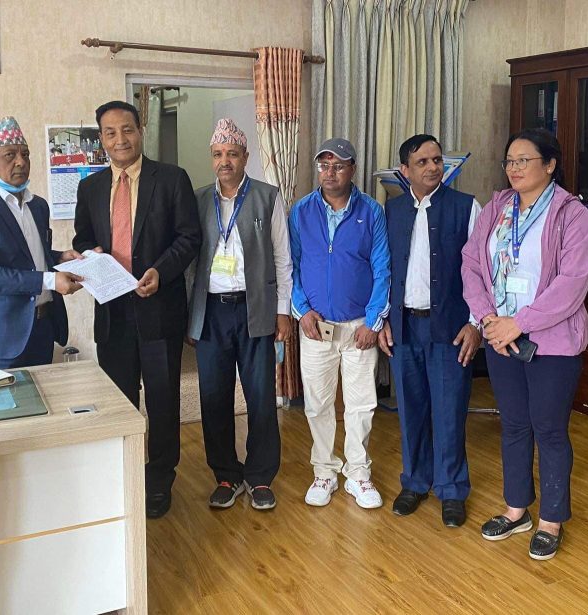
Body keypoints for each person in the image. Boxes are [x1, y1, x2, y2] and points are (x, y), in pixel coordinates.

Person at [461, 128, 588, 560]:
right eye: (510, 161)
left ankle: (551, 520)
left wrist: (518, 324)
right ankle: (516, 509)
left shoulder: (573, 215)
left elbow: (571, 285)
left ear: (550, 164)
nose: (514, 168)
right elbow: (471, 264)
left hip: (551, 343)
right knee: (515, 425)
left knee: (549, 430)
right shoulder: (497, 208)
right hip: (501, 339)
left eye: (524, 160)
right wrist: (488, 319)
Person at [73, 100, 201, 519]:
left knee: (163, 401)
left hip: (159, 309)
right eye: (110, 133)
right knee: (119, 400)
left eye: (126, 129)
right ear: (101, 139)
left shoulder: (172, 179)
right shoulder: (91, 188)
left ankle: (160, 478)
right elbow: (82, 238)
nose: (120, 139)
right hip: (113, 312)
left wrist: (161, 271)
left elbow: (189, 237)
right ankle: (123, 474)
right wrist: (90, 254)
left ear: (140, 130)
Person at [187, 119, 293, 510]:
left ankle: (260, 476)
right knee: (213, 396)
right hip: (212, 312)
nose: (225, 161)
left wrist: (283, 311)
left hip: (256, 309)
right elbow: (188, 263)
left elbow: (282, 258)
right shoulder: (198, 200)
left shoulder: (267, 196)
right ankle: (226, 475)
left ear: (245, 157)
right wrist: (190, 316)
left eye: (232, 154)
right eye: (218, 154)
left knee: (261, 396)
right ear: (211, 158)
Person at [378, 134, 482, 527]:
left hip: (450, 329)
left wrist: (475, 323)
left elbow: (483, 272)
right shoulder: (391, 210)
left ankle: (451, 490)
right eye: (422, 162)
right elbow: (383, 269)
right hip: (404, 327)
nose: (433, 167)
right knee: (411, 409)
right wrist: (382, 320)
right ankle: (415, 482)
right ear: (404, 170)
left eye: (437, 160)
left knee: (450, 411)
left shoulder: (466, 207)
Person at [289, 138, 390, 509]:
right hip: (316, 327)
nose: (330, 172)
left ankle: (358, 475)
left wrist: (374, 321)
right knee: (317, 404)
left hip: (359, 326)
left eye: (339, 165)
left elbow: (382, 269)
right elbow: (291, 266)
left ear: (352, 170)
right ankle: (325, 472)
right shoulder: (301, 211)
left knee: (361, 404)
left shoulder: (372, 211)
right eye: (324, 165)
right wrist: (302, 311)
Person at [0, 116, 84, 369]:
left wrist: (59, 257)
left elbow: (26, 255)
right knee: (1, 397)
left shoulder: (38, 206)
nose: (21, 162)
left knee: (44, 394)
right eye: (10, 155)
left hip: (41, 329)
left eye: (25, 154)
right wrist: (51, 280)